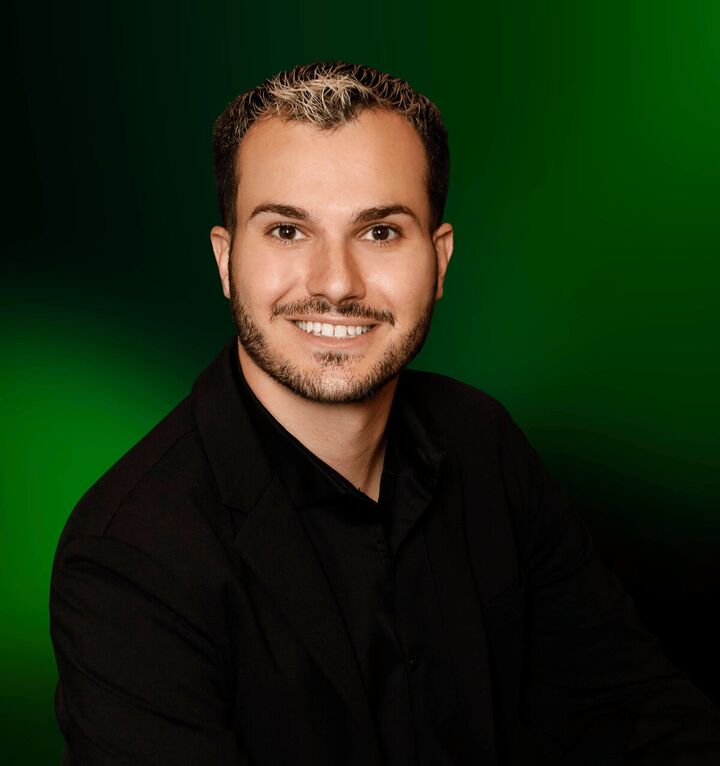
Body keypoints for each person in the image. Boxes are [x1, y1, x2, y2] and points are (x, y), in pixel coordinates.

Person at [50, 61, 720, 765]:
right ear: (225, 261)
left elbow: (634, 712)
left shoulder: (483, 442)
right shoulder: (129, 559)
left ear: (440, 260)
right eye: (287, 231)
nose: (337, 284)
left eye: (379, 233)